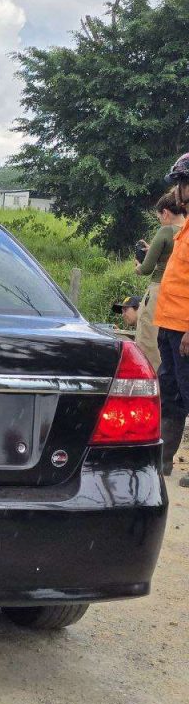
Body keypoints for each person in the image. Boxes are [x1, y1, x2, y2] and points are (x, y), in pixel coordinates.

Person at [150, 160, 189, 486]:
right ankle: (162, 462)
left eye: (180, 183)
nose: (176, 191)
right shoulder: (186, 227)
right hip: (169, 323)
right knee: (172, 393)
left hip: (185, 329)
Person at [135, 190, 186, 369]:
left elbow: (147, 269)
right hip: (179, 298)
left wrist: (137, 267)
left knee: (148, 341)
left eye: (159, 217)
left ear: (165, 213)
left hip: (159, 291)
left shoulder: (166, 231)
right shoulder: (184, 231)